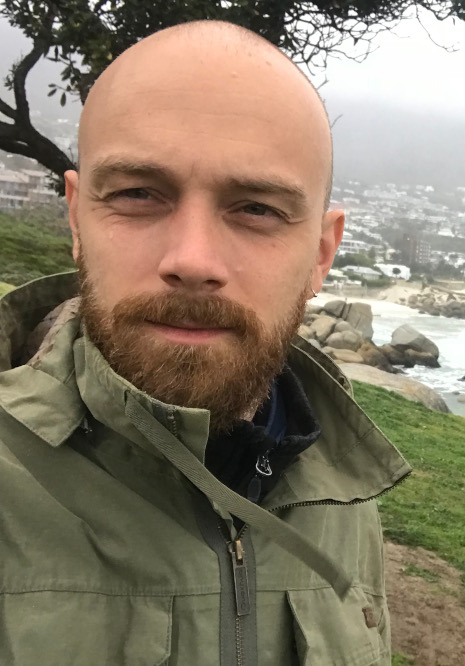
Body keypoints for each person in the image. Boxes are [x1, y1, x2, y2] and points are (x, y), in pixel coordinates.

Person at [0, 20, 410, 665]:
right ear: (77, 219)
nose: (192, 260)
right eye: (138, 194)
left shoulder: (340, 485)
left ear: (321, 254)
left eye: (257, 209)